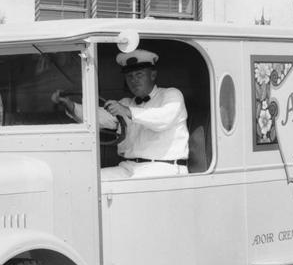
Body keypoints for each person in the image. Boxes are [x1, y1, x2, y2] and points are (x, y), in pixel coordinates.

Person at [53, 49, 190, 179]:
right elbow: (98, 117)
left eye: (139, 74)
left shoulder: (171, 94)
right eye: (129, 76)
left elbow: (163, 119)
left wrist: (128, 111)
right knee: (90, 181)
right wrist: (70, 105)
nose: (134, 80)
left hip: (163, 168)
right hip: (129, 167)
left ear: (153, 75)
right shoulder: (126, 102)